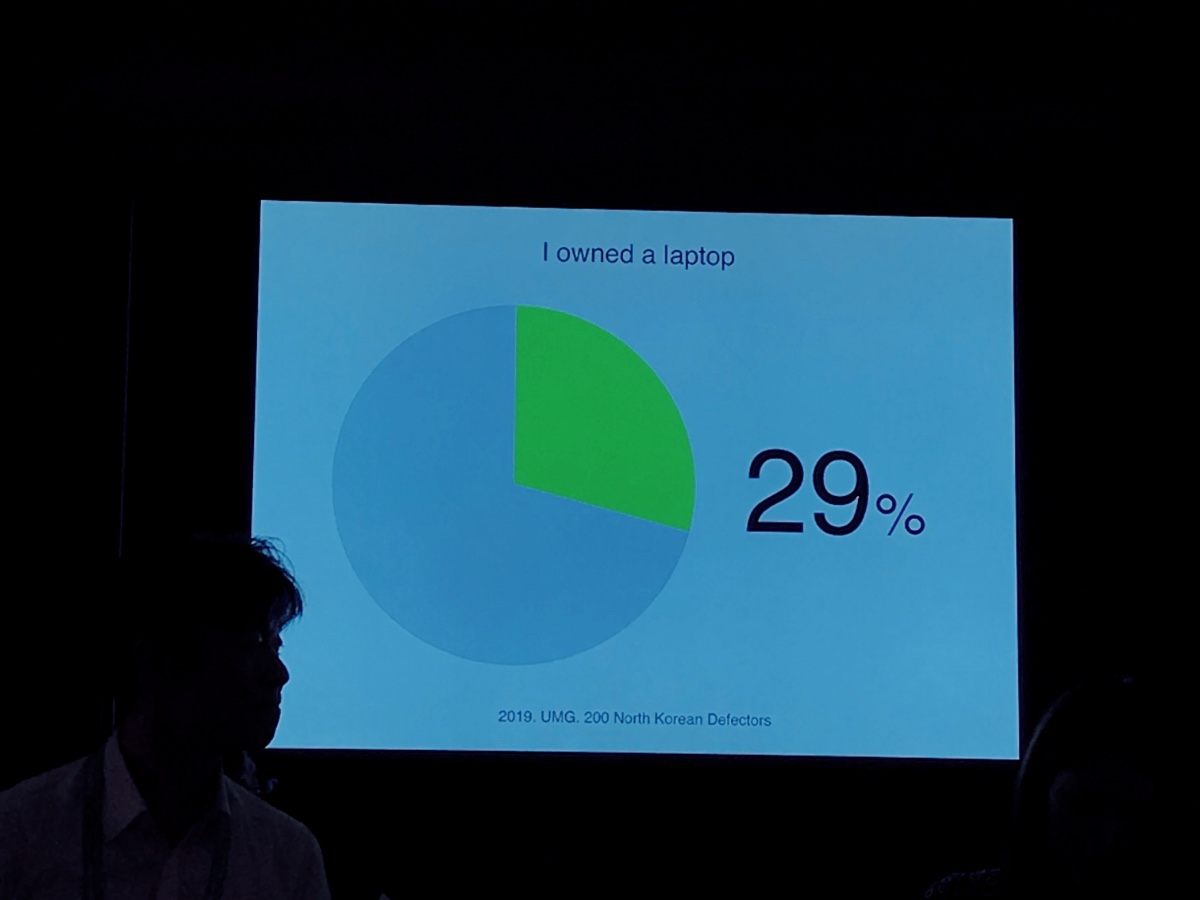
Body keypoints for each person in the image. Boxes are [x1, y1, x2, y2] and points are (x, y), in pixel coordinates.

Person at [0, 535, 331, 900]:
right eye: (252, 642)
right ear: (158, 662)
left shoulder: (289, 856)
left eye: (275, 646)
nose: (279, 673)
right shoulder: (19, 831)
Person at [923, 675, 1165, 898]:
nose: (1110, 836)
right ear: (1039, 794)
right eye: (1085, 804)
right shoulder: (958, 897)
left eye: (1137, 814)